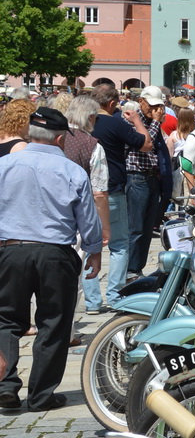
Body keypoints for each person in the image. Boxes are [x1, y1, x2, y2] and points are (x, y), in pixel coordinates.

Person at [0, 105, 102, 412]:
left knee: (5, 319)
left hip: (10, 250)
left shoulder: (4, 165)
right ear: (59, 140)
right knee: (54, 323)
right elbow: (88, 219)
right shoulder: (71, 170)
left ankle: (5, 385)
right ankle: (42, 394)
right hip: (55, 253)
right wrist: (95, 251)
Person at [91, 81, 149, 305]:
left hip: (86, 190)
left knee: (90, 245)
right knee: (119, 245)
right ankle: (114, 296)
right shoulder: (115, 123)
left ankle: (92, 302)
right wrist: (136, 120)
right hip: (112, 187)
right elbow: (145, 144)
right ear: (113, 103)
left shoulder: (84, 125)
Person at [64, 92, 111, 315]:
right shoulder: (93, 145)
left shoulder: (51, 137)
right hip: (76, 218)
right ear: (90, 118)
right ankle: (67, 330)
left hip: (42, 216)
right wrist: (104, 227)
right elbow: (99, 192)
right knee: (73, 275)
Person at [122, 88, 172, 276]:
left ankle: (138, 268)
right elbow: (145, 143)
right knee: (135, 227)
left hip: (152, 177)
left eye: (159, 106)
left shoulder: (153, 122)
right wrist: (157, 122)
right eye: (152, 106)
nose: (155, 110)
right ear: (142, 102)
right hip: (137, 176)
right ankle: (130, 269)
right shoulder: (133, 120)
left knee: (148, 227)